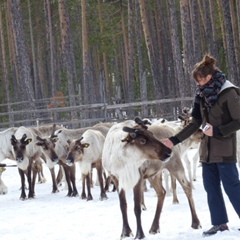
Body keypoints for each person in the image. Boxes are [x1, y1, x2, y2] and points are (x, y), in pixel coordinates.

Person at [161, 54, 240, 237]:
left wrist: (218, 131)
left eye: (200, 80)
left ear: (209, 77)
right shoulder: (202, 95)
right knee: (211, 188)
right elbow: (195, 122)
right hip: (207, 152)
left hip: (225, 150)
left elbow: (238, 121)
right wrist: (173, 141)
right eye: (196, 81)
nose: (198, 84)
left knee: (232, 187)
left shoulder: (229, 93)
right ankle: (219, 224)